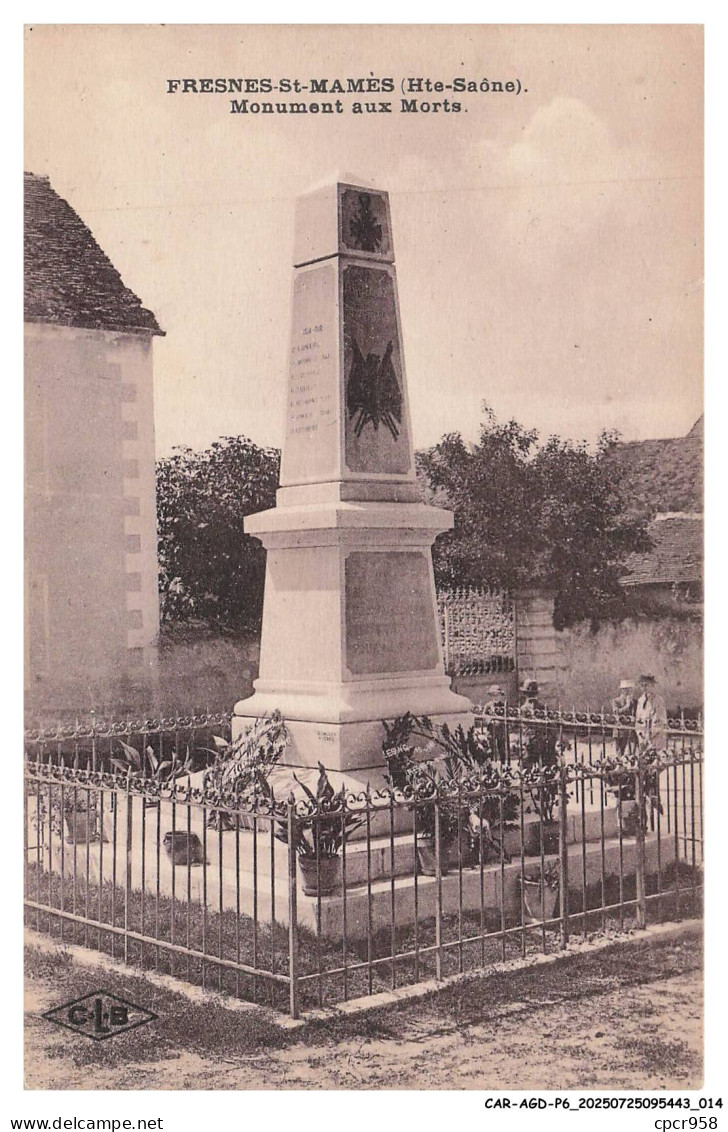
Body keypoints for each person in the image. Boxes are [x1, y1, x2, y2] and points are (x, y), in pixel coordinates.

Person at [635, 674, 668, 751]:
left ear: (652, 685)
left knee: (655, 757)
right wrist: (640, 734)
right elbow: (638, 719)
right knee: (643, 758)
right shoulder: (640, 700)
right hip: (642, 736)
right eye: (642, 685)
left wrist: (649, 736)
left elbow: (660, 719)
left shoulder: (658, 700)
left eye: (646, 685)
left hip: (655, 736)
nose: (644, 688)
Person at [611, 678, 637, 756]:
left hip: (632, 730)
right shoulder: (616, 701)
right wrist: (627, 706)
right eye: (627, 690)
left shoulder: (635, 701)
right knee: (620, 752)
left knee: (633, 753)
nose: (629, 692)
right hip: (620, 730)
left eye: (631, 690)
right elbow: (616, 712)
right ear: (622, 690)